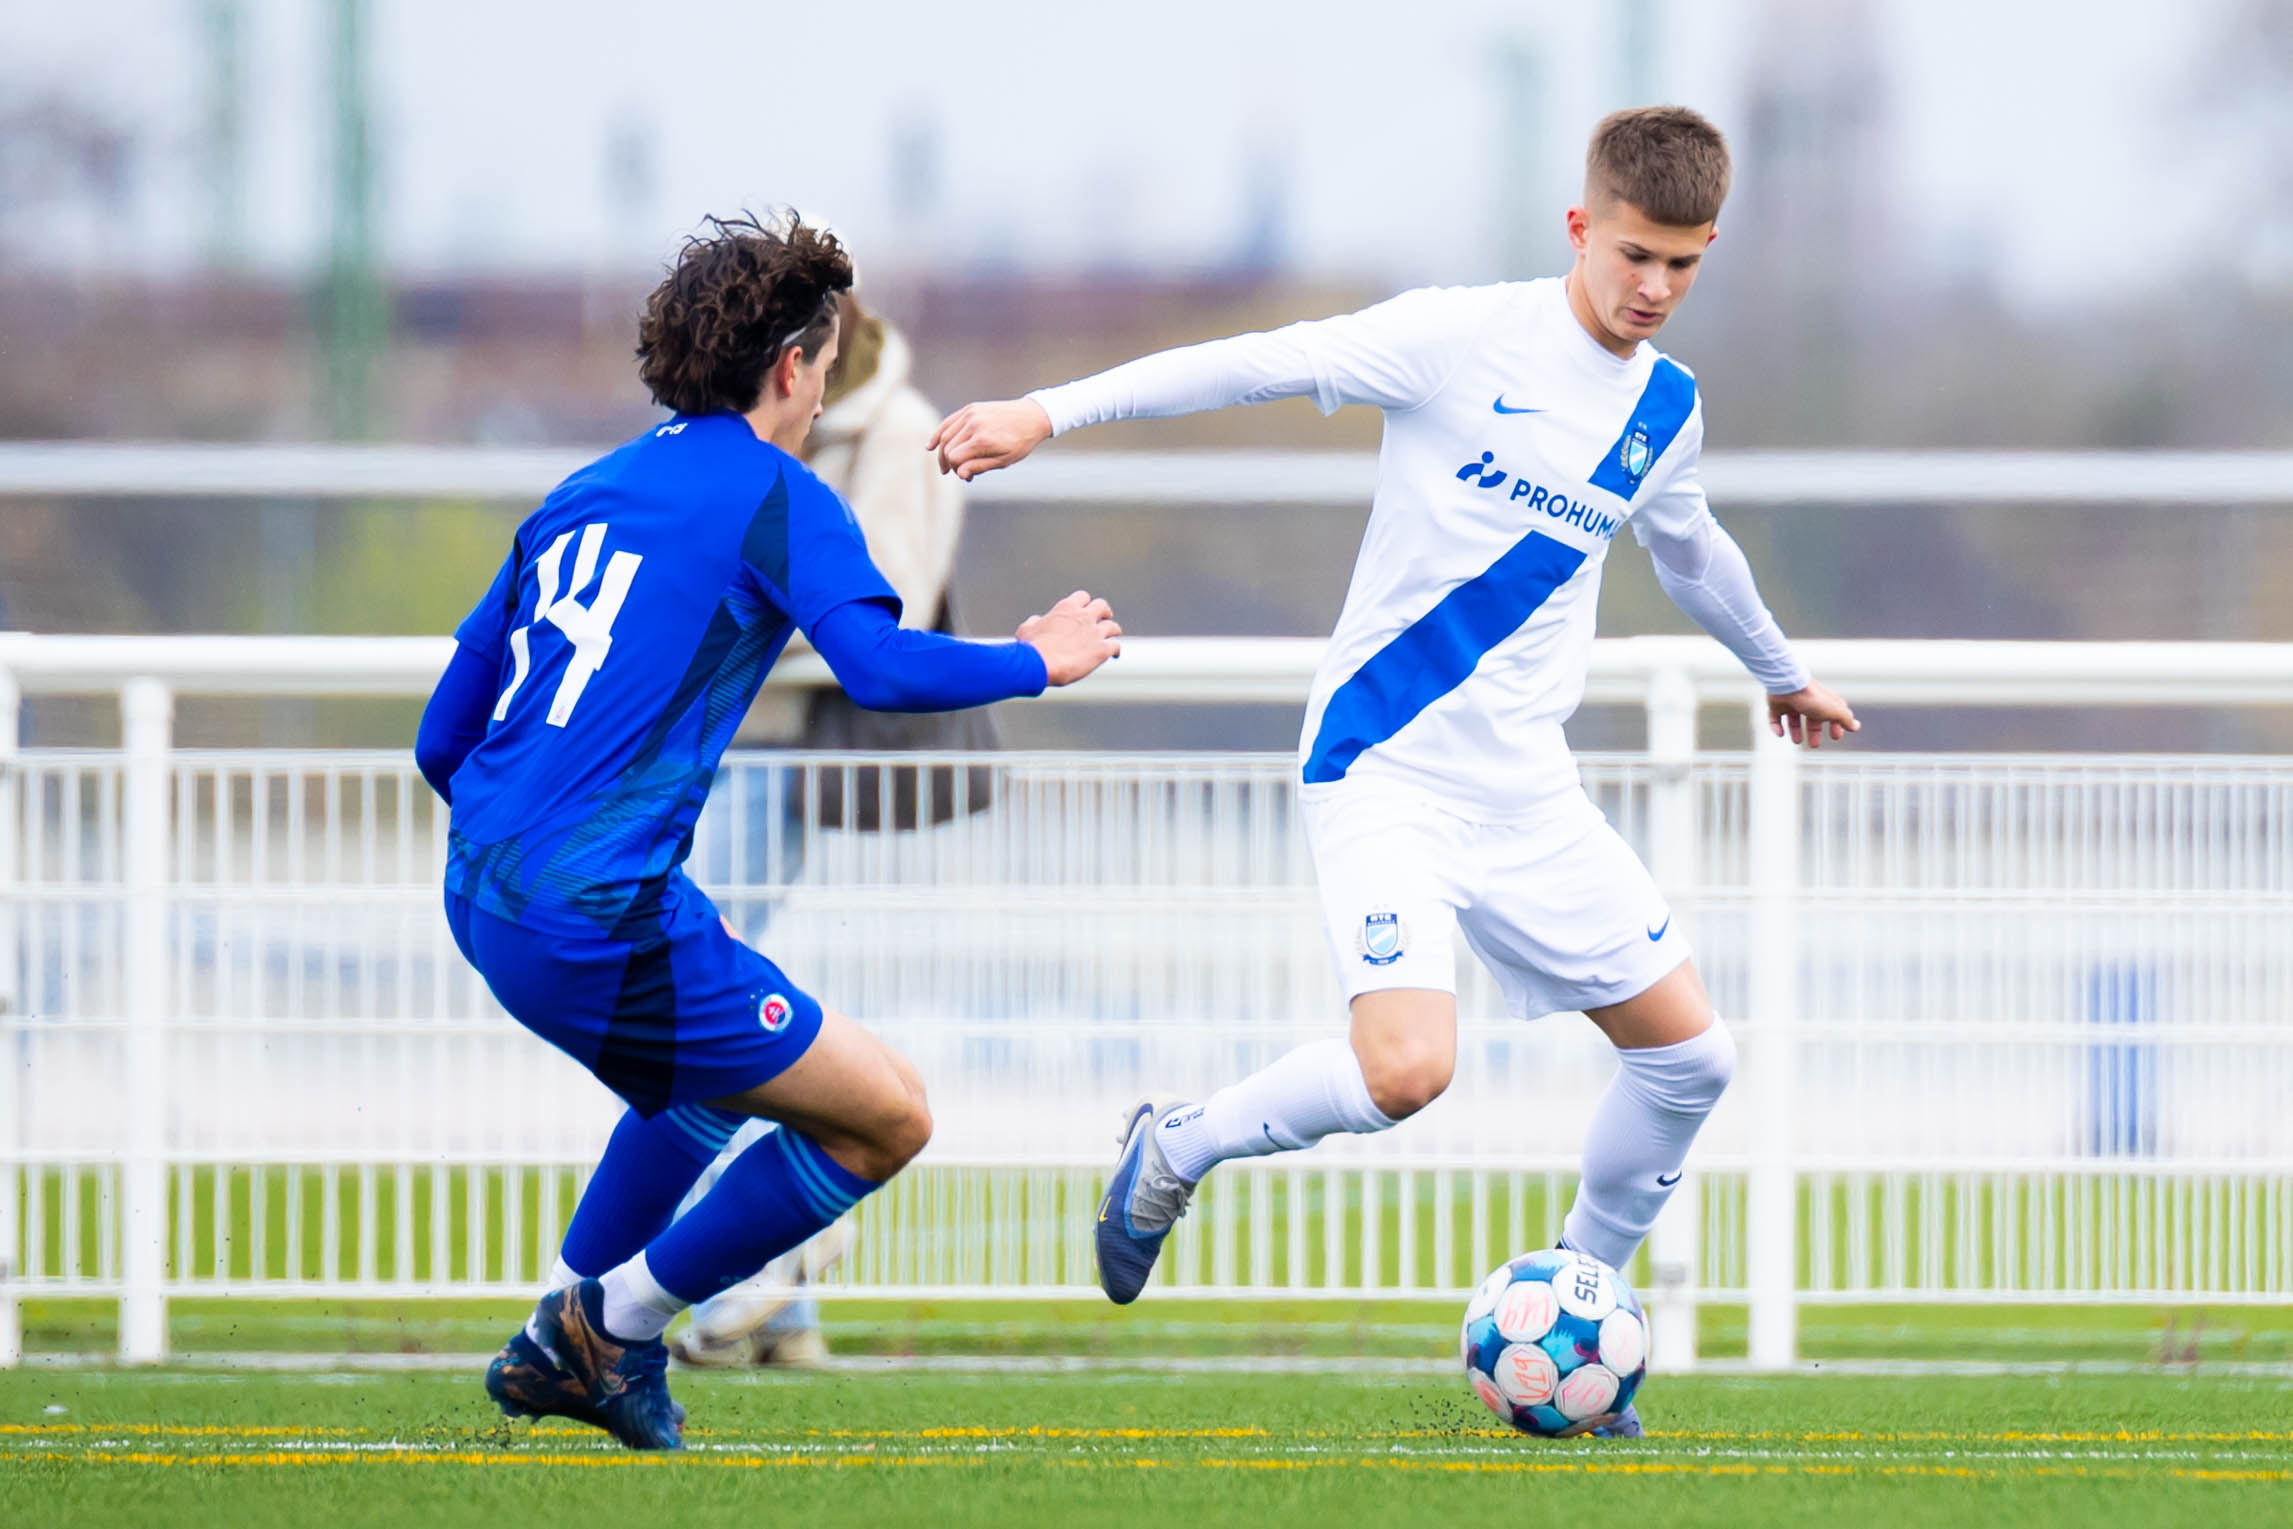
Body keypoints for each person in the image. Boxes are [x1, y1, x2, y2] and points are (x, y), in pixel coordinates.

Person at [930, 108, 1857, 1438]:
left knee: (1691, 1063)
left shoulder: (1666, 407)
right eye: (1636, 255)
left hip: (1525, 793)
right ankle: (1175, 1146)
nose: (1653, 289)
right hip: (1383, 764)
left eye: (1685, 266)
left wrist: (1777, 670)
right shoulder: (1458, 338)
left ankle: (1581, 1317)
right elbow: (1251, 362)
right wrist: (1045, 411)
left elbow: (1693, 549)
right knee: (1409, 1070)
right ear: (1581, 228)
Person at [414, 211, 1121, 1450]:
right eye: (828, 355)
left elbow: (439, 741)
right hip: (591, 915)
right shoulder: (778, 496)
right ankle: (597, 1326)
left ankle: (582, 1328)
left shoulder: (581, 491)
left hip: (481, 887)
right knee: (884, 1114)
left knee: (702, 1087)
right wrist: (1036, 658)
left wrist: (576, 868)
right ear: (797, 364)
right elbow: (880, 669)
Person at [675, 293, 980, 1371]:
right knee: (724, 1015)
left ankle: (777, 1256)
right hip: (723, 745)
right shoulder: (755, 426)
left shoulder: (898, 434)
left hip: (789, 746)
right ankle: (782, 1294)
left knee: (702, 1020)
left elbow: (883, 610)